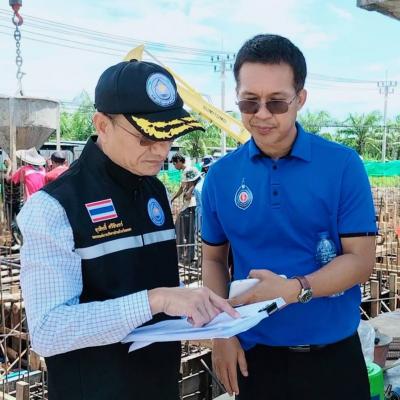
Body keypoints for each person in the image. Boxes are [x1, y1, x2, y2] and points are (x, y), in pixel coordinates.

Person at [17, 59, 238, 400]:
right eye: (147, 137)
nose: (162, 149)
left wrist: (198, 302)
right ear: (102, 125)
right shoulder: (54, 207)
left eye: (169, 135)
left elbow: (150, 280)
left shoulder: (154, 191)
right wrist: (156, 300)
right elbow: (48, 330)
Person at [202, 34, 376, 400]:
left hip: (334, 359)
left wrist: (292, 290)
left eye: (277, 102)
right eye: (249, 101)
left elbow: (360, 261)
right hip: (255, 359)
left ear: (300, 99)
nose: (262, 114)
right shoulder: (221, 176)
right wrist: (220, 332)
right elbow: (214, 259)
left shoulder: (342, 166)